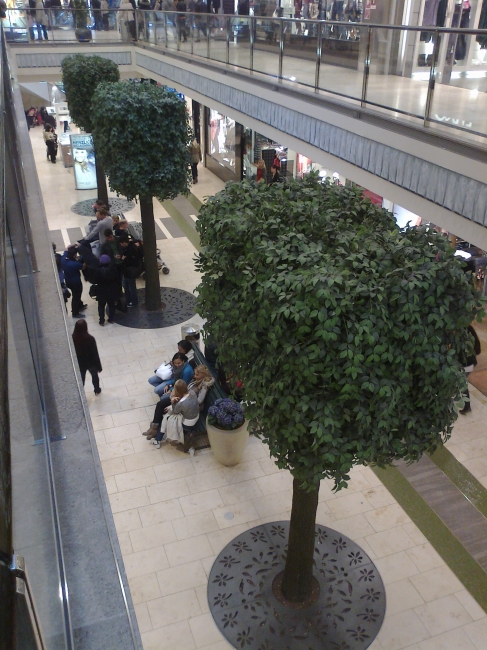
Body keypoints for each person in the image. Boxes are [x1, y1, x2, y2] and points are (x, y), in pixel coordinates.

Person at [143, 364, 214, 439]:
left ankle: (157, 434)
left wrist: (178, 402)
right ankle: (154, 428)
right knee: (160, 404)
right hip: (182, 398)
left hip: (188, 406)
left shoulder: (204, 386)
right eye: (195, 374)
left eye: (197, 375)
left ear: (203, 376)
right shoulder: (196, 380)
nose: (194, 376)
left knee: (165, 411)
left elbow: (199, 401)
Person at [149, 380, 200, 449]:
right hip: (196, 416)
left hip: (186, 422)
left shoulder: (181, 404)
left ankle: (157, 440)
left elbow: (175, 412)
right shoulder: (192, 392)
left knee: (166, 418)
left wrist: (172, 402)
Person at [72, 319, 102, 395]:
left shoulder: (73, 338)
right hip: (90, 362)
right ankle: (97, 389)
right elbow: (95, 353)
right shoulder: (90, 339)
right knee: (94, 376)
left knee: (81, 379)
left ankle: (80, 393)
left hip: (80, 363)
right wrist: (99, 366)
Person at [460, 324, 481, 415]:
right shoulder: (469, 328)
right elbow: (478, 348)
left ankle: (467, 406)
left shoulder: (457, 333)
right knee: (463, 383)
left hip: (465, 364)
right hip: (471, 363)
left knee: (463, 384)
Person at [61, 246, 87, 318]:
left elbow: (67, 248)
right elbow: (83, 266)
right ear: (74, 254)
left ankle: (80, 305)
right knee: (76, 296)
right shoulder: (74, 264)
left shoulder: (63, 258)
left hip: (68, 280)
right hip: (76, 282)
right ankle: (75, 312)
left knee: (76, 294)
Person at [95, 254, 120, 326]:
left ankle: (102, 321)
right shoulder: (113, 269)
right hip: (111, 290)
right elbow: (116, 279)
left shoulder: (98, 270)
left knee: (101, 306)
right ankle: (111, 318)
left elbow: (95, 280)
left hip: (101, 290)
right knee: (111, 305)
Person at [119, 234, 143, 306]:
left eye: (121, 243)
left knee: (131, 286)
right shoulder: (129, 247)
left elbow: (132, 261)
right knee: (126, 285)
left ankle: (134, 301)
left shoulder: (131, 249)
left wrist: (124, 259)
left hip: (130, 271)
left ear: (124, 242)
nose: (121, 245)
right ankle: (129, 299)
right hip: (127, 271)